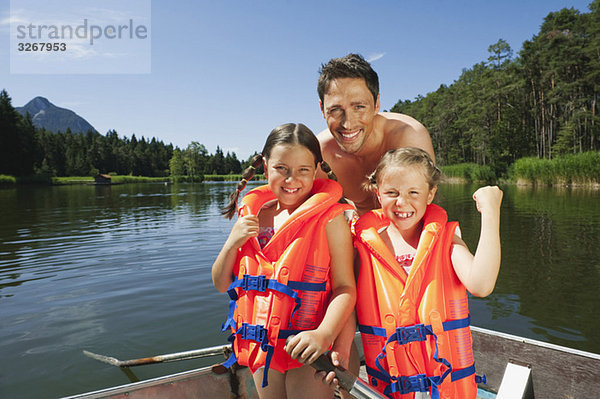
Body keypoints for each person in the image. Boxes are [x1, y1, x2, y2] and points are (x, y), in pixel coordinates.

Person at [212, 123, 356, 399]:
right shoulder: (251, 219)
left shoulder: (331, 219)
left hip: (310, 347)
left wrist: (324, 335)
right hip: (263, 348)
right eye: (282, 169)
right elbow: (221, 284)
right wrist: (232, 243)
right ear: (266, 168)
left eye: (303, 170)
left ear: (316, 169)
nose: (292, 180)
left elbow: (345, 287)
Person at [351, 147, 502, 398]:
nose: (402, 203)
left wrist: (491, 211)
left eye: (413, 192)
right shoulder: (364, 247)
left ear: (430, 194)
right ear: (377, 193)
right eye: (392, 193)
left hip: (447, 390)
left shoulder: (446, 240)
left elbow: (482, 284)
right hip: (391, 390)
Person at [316, 53, 435, 216]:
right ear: (322, 109)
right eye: (336, 110)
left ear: (377, 104)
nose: (348, 124)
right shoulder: (320, 154)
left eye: (359, 107)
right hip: (354, 233)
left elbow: (424, 213)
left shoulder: (409, 136)